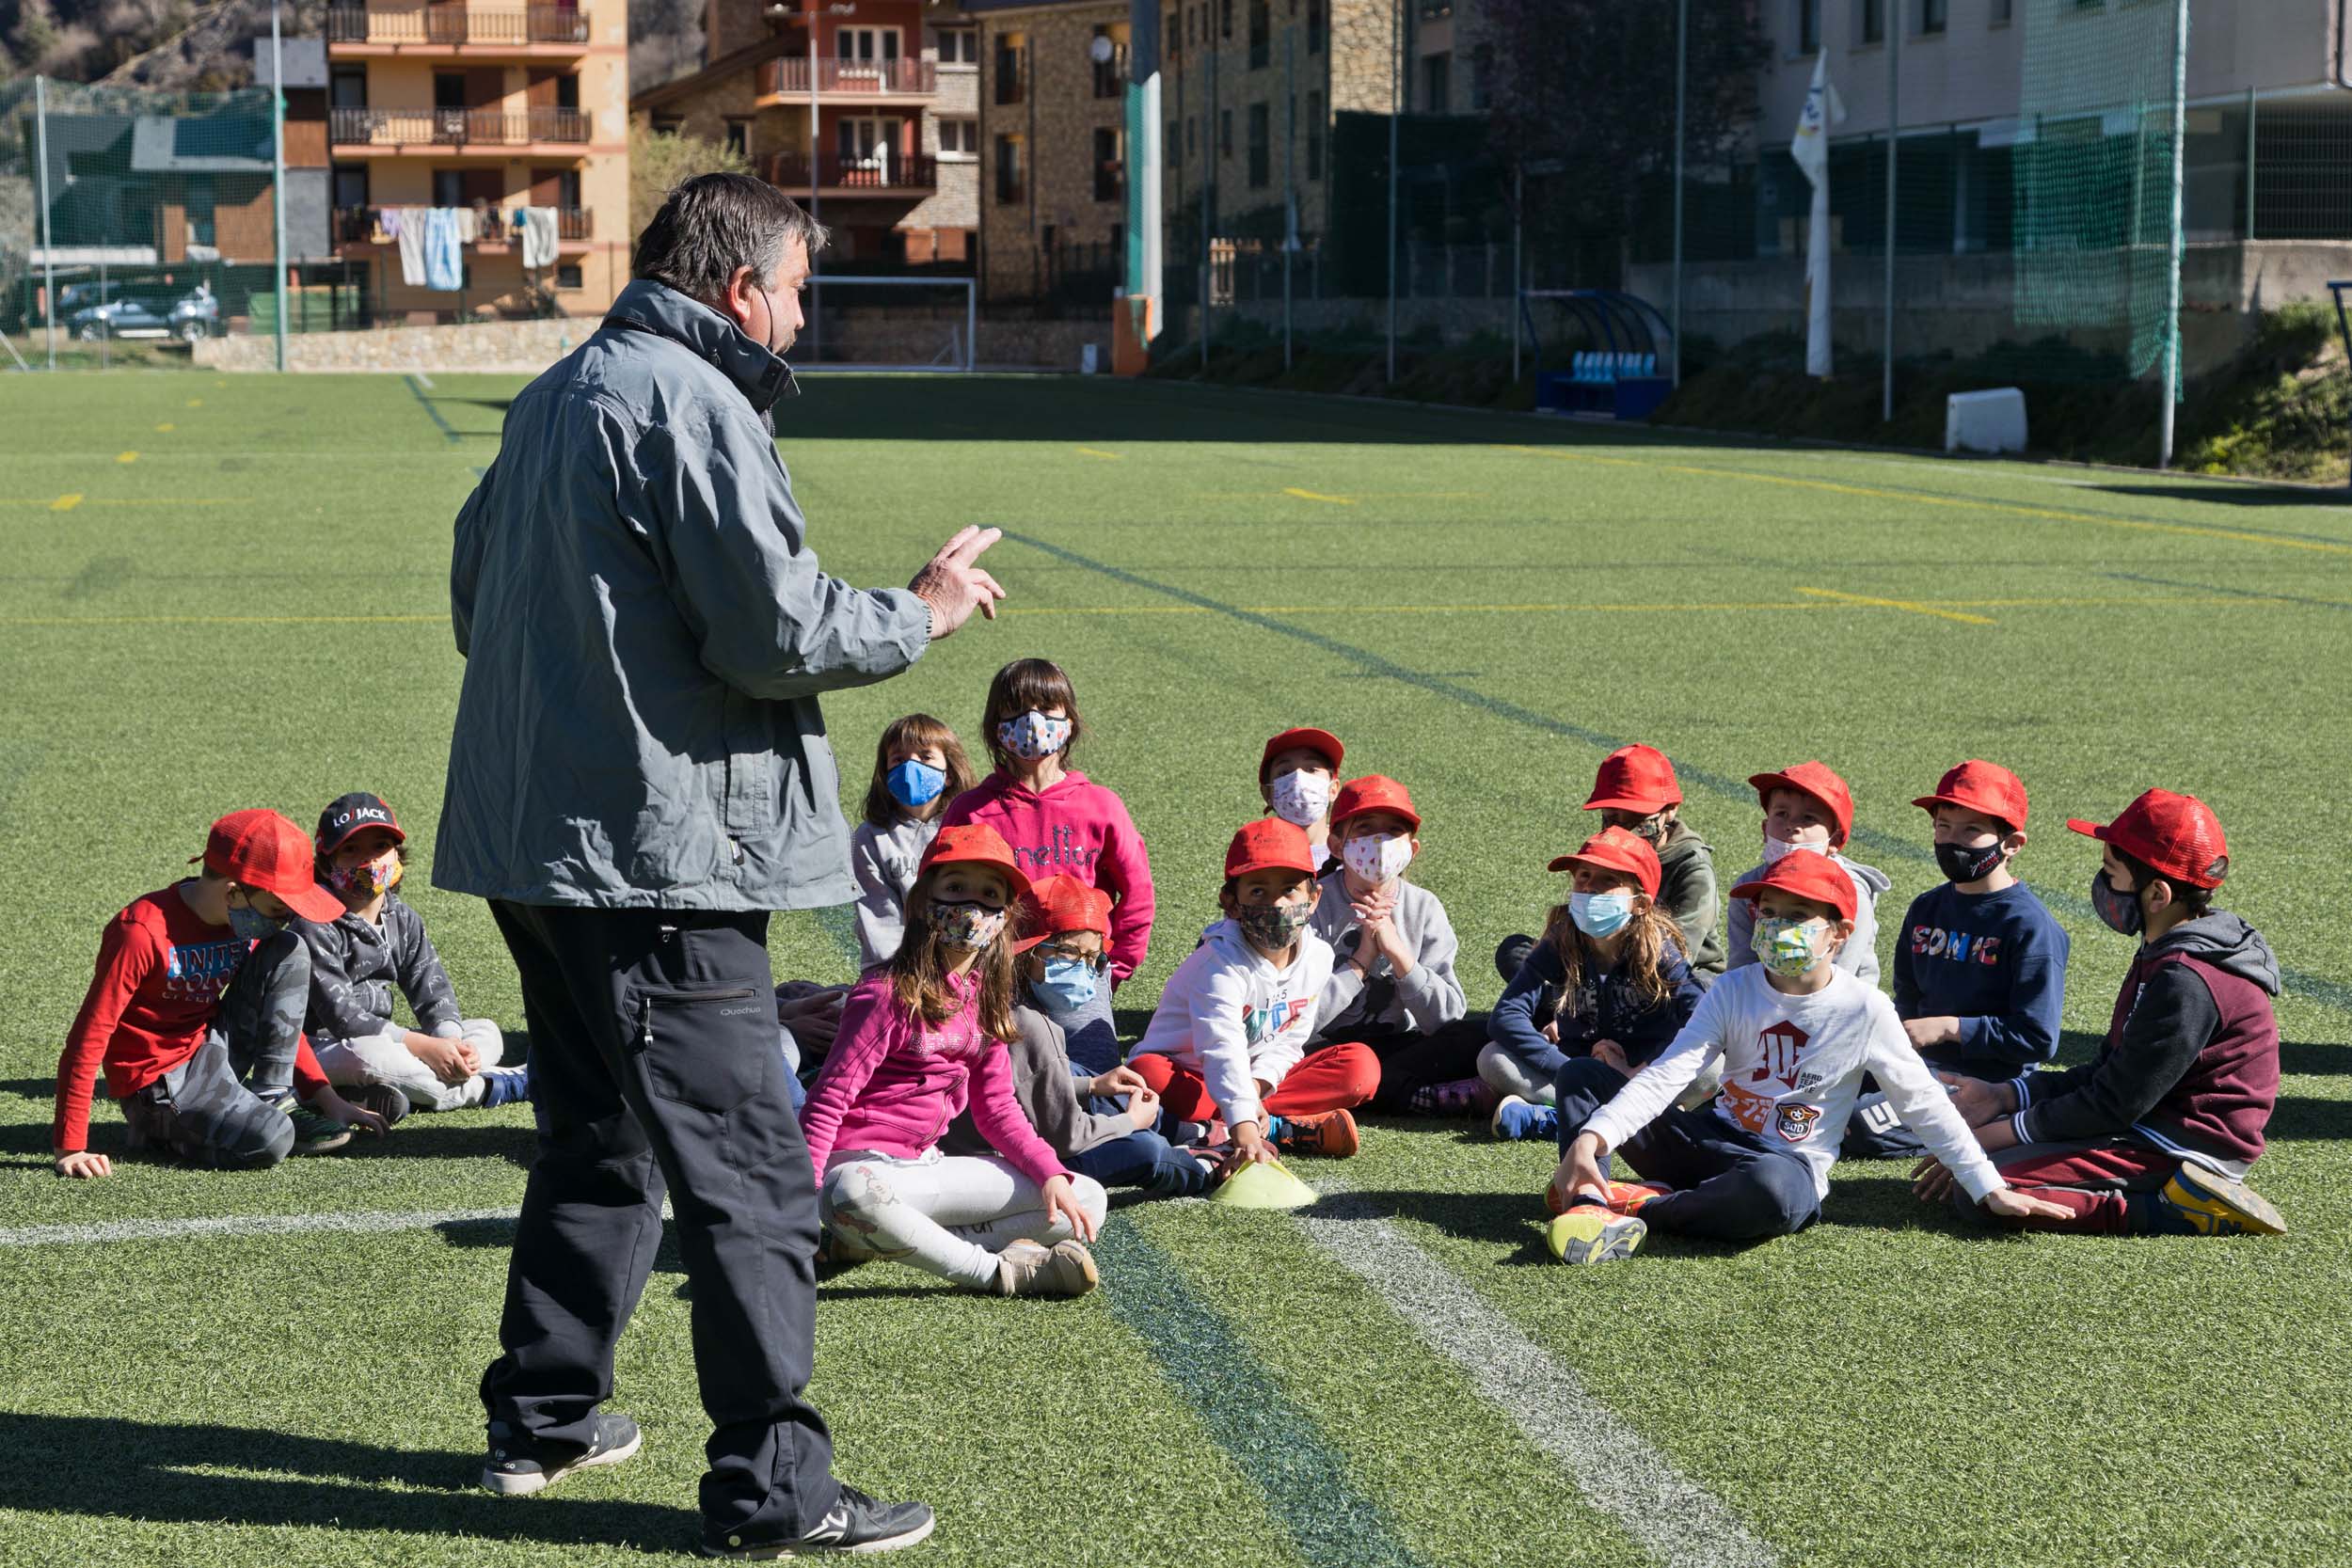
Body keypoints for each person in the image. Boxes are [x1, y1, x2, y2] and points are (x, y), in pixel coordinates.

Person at [441, 175, 996, 1555]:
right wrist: (917, 614)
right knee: (750, 1171)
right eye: (800, 287)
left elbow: (470, 598)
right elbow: (774, 633)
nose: (803, 316)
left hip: (537, 840)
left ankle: (547, 1413)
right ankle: (773, 1488)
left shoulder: (553, 396)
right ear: (741, 288)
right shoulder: (692, 403)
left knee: (595, 1129)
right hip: (661, 862)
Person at [1543, 851, 2068, 1265]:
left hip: (1786, 1168)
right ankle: (1591, 1201)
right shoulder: (1732, 989)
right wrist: (1593, 1138)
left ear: (1838, 935)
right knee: (1584, 1075)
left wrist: (1988, 1187)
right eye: (1767, 913)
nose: (1774, 927)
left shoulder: (1865, 1009)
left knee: (1771, 1193)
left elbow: (1923, 1103)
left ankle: (1644, 1207)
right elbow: (1668, 1077)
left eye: (1797, 916)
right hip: (1709, 1140)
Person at [1916, 789, 2285, 1238]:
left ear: (2157, 893)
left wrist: (2001, 1132)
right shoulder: (2167, 949)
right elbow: (2108, 1074)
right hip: (2144, 1121)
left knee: (1981, 1188)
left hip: (2183, 1145)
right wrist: (2006, 1096)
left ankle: (2181, 1208)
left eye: (2111, 871)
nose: (2100, 883)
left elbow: (2114, 1104)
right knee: (1978, 1168)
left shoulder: (2185, 979)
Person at [802, 826, 1109, 1294]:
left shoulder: (986, 998)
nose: (972, 906)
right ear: (926, 901)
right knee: (852, 1193)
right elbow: (829, 1099)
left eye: (989, 895)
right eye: (956, 888)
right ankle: (996, 1273)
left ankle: (882, 1244)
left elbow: (998, 1109)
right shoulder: (883, 994)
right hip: (861, 1169)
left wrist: (1049, 1172)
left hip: (928, 1169)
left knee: (1085, 1196)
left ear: (1005, 918)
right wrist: (800, 1204)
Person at [52, 809, 389, 1177]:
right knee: (273, 1140)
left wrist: (326, 1096)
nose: (285, 919)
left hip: (212, 1051)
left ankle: (274, 1098)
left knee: (290, 948)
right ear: (233, 893)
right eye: (279, 909)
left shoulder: (242, 920)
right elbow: (89, 1036)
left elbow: (281, 1015)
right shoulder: (141, 932)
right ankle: (158, 1130)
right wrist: (71, 1147)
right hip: (159, 1087)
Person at [941, 874, 1214, 1199]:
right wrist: (1129, 1122)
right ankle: (1206, 1169)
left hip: (977, 1139)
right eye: (1069, 952)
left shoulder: (996, 992)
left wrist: (1093, 1086)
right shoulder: (1028, 1024)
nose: (1083, 969)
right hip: (991, 1164)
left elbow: (1016, 1084)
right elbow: (1067, 1138)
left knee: (1089, 1078)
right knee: (1146, 1150)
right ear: (1026, 950)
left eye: (1092, 958)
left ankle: (1190, 1131)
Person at [1845, 761, 2067, 1159]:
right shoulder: (1927, 907)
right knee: (1814, 1089)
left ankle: (1990, 1118)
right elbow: (1908, 994)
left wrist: (1952, 1028)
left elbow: (2038, 1037)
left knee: (1860, 1124)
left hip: (1981, 1082)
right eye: (1943, 827)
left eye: (1971, 831)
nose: (1952, 842)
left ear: (2012, 843)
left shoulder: (2030, 926)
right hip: (1915, 1066)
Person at [1130, 819, 1378, 1164]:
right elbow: (1220, 1048)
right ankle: (1271, 1128)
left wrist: (1255, 1090)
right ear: (1231, 903)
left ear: (1314, 897)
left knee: (1359, 1067)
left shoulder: (1319, 958)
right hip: (1192, 1074)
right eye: (1258, 891)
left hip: (1252, 1080)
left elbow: (1290, 1040)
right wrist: (1244, 1123)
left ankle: (1228, 1127)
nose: (1276, 905)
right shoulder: (1219, 964)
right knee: (1147, 1075)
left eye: (1290, 890)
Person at [941, 657, 1153, 1052]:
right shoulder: (971, 810)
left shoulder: (1100, 805)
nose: (1032, 722)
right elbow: (936, 892)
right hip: (994, 975)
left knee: (1095, 1076)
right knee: (998, 1083)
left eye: (1046, 709)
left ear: (1069, 721)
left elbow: (1138, 894)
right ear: (995, 727)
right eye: (1017, 711)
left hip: (1077, 971)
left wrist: (1113, 969)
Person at [301, 792, 527, 1122]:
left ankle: (367, 1092)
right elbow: (342, 1018)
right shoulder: (314, 923)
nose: (368, 861)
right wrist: (423, 1047)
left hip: (389, 1039)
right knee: (369, 1057)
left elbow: (432, 990)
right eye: (351, 850)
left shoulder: (402, 918)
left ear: (397, 856)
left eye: (379, 847)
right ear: (326, 863)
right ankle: (494, 1086)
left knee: (485, 1032)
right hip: (325, 1047)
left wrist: (449, 1043)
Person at [1483, 827, 1706, 1139]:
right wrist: (1572, 1071)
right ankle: (1642, 1121)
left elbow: (1700, 1017)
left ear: (1640, 903)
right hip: (1575, 1065)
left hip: (1645, 1073)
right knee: (1493, 1059)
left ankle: (1556, 1118)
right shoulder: (1561, 940)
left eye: (1608, 881)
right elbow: (1506, 1016)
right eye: (1583, 876)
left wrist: (1639, 1070)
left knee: (1712, 1069)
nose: (1590, 888)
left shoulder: (1659, 949)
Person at [1302, 775, 1485, 1116]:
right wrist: (1360, 962)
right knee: (1350, 1069)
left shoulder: (1423, 907)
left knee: (1483, 1036)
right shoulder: (1314, 904)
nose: (1380, 842)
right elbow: (1299, 1020)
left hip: (1403, 1046)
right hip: (1329, 1050)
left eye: (1393, 831)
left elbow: (1446, 1019)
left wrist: (1400, 958)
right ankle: (1424, 1096)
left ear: (1411, 849)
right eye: (1365, 828)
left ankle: (1396, 1091)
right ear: (1337, 845)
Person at [1722, 761, 1890, 989]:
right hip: (1763, 1003)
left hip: (1840, 1010)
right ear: (1764, 829)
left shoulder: (1852, 893)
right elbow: (1741, 968)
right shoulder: (1747, 886)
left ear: (1835, 840)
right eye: (1781, 813)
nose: (1792, 826)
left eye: (1809, 818)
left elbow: (1840, 978)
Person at [850, 713, 977, 971]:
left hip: (962, 965)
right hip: (895, 969)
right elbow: (879, 919)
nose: (911, 767)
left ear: (949, 773)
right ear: (886, 775)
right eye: (898, 759)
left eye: (925, 756)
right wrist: (905, 975)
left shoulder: (968, 827)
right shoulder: (870, 837)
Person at [1260, 726, 1346, 873]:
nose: (1298, 778)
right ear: (1267, 792)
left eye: (1312, 769)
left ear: (1333, 789)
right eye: (1284, 772)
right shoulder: (1258, 855)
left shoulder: (1353, 851)